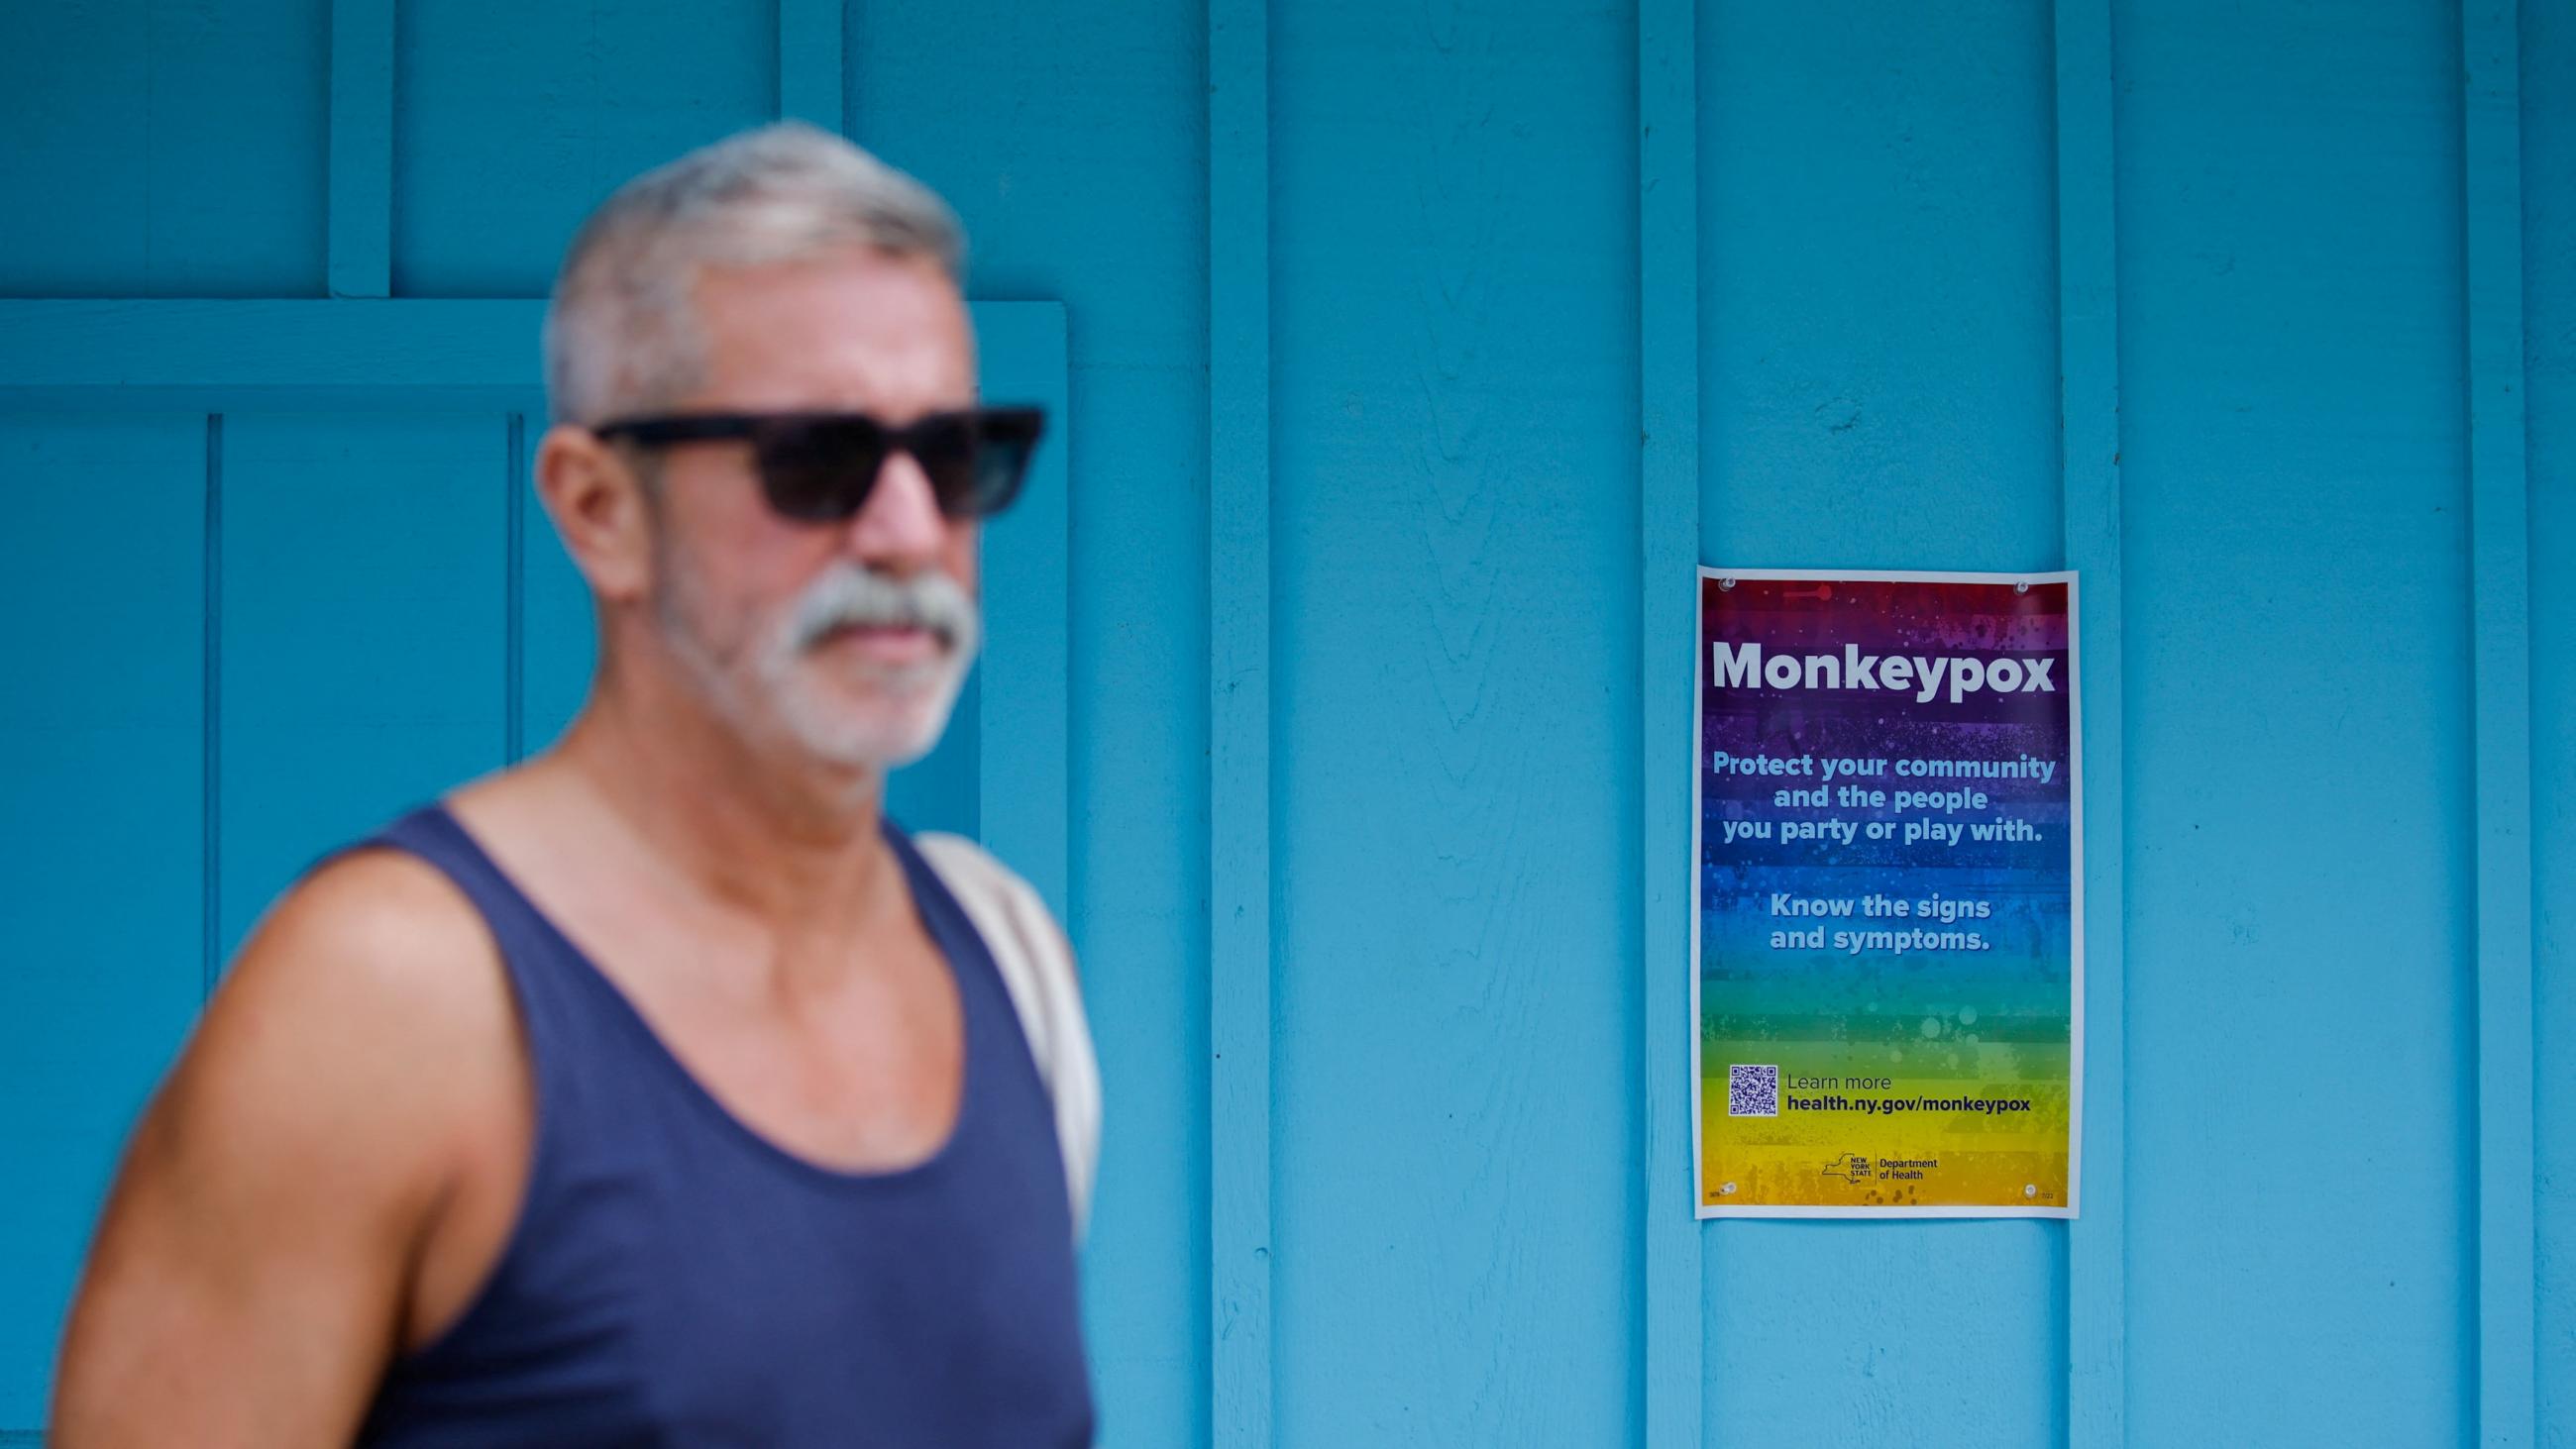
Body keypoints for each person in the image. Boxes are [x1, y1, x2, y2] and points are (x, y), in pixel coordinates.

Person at [50, 123, 1098, 1447]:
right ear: (599, 508)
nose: (905, 532)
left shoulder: (1009, 971)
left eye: (953, 459)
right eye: (817, 461)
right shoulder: (395, 1000)